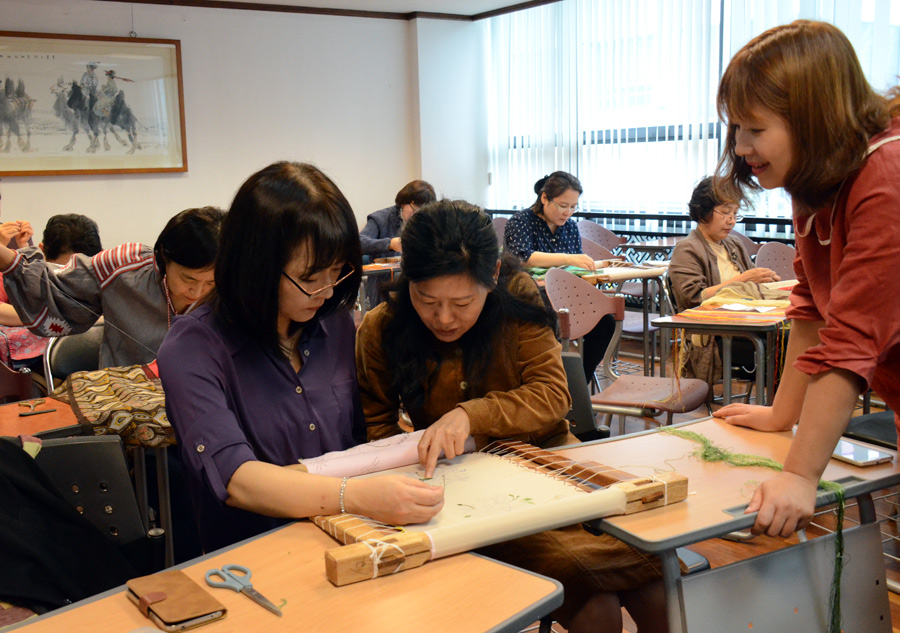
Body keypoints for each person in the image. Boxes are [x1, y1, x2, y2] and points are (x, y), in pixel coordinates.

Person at [356, 200, 667, 633]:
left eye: (462, 302)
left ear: (494, 277)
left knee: (656, 584)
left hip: (552, 462)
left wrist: (470, 415)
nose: (444, 319)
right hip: (461, 489)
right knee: (594, 603)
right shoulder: (383, 328)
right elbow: (379, 427)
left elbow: (553, 395)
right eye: (427, 300)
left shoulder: (516, 297)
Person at [157, 162, 444, 553]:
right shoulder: (193, 347)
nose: (327, 291)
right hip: (262, 558)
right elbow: (237, 480)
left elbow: (359, 439)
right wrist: (356, 496)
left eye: (337, 271)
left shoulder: (333, 323)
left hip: (361, 540)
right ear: (255, 265)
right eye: (309, 278)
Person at [711, 20, 900, 538]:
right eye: (735, 128)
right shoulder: (814, 177)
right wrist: (781, 413)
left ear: (812, 119)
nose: (742, 145)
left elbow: (852, 339)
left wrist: (799, 474)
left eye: (755, 127)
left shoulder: (886, 177)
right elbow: (813, 306)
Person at [0, 206, 224, 368]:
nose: (197, 293)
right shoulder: (126, 267)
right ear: (163, 258)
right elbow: (55, 288)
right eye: (188, 279)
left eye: (211, 283)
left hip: (206, 399)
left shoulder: (238, 284)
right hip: (128, 401)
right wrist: (8, 259)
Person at [668, 176, 780, 386]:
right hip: (716, 337)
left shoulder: (734, 244)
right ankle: (780, 412)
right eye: (725, 212)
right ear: (703, 212)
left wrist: (768, 282)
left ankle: (784, 412)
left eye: (736, 213)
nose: (732, 220)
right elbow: (694, 298)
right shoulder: (687, 249)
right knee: (780, 349)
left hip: (746, 325)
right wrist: (744, 279)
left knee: (791, 339)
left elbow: (754, 286)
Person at [505, 171, 613, 383]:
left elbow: (573, 270)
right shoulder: (521, 221)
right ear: (544, 198)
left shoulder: (570, 227)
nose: (568, 213)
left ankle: (579, 382)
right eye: (563, 205)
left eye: (573, 207)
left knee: (605, 322)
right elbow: (522, 257)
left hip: (565, 296)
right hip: (531, 298)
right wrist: (570, 259)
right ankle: (550, 383)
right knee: (550, 324)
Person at [359, 179, 436, 261]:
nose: (416, 216)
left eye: (421, 213)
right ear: (403, 203)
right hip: (388, 273)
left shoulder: (428, 220)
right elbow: (359, 243)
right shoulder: (380, 218)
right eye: (414, 210)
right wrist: (390, 244)